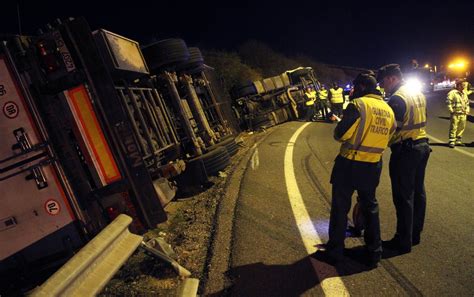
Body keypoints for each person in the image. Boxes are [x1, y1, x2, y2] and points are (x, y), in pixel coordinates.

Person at [318, 73, 396, 268]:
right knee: (370, 208)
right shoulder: (388, 109)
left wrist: (339, 123)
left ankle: (335, 252)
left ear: (361, 87)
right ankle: (374, 253)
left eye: (354, 87)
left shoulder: (358, 105)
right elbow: (391, 135)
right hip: (373, 165)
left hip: (350, 163)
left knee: (340, 208)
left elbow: (341, 134)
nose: (352, 91)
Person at [377, 64, 431, 254]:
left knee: (403, 196)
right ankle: (415, 234)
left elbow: (391, 129)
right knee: (418, 193)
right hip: (422, 146)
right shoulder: (416, 93)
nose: (383, 86)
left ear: (392, 78)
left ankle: (402, 240)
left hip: (405, 151)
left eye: (383, 82)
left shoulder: (397, 98)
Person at [446, 79, 470, 147]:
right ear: (459, 85)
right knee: (454, 127)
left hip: (463, 113)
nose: (464, 86)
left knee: (461, 127)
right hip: (455, 113)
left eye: (464, 85)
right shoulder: (452, 93)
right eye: (463, 85)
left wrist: (467, 110)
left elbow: (467, 103)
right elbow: (448, 102)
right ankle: (452, 141)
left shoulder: (464, 93)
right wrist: (451, 110)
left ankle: (458, 141)